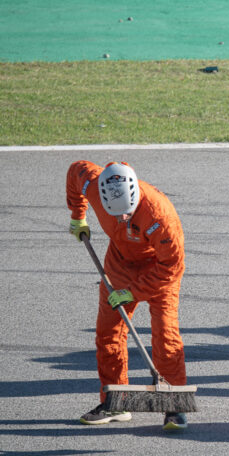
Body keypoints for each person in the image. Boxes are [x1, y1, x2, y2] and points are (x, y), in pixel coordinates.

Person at [66, 161, 189, 430]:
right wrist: (78, 216)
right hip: (119, 265)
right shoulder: (94, 185)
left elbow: (172, 267)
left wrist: (132, 293)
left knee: (166, 337)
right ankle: (117, 402)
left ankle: (175, 407)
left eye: (127, 214)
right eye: (116, 214)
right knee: (108, 334)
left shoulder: (159, 215)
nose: (122, 219)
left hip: (158, 269)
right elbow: (76, 171)